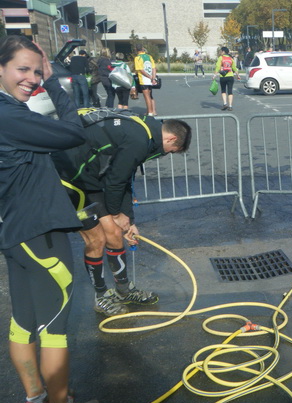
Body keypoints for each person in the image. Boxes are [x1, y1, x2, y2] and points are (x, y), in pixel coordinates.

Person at [0, 35, 100, 403]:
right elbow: (74, 132)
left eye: (36, 72)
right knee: (54, 328)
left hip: (14, 234)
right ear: (1, 69)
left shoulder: (9, 113)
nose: (31, 78)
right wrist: (58, 84)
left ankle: (36, 400)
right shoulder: (10, 117)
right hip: (41, 232)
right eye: (23, 69)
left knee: (22, 324)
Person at [52, 113, 192, 316]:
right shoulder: (139, 139)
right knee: (96, 239)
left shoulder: (145, 133)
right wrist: (117, 214)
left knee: (115, 233)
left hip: (90, 180)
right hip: (69, 180)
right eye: (173, 151)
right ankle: (101, 297)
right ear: (170, 139)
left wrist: (128, 220)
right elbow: (116, 181)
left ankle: (124, 291)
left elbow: (125, 176)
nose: (168, 154)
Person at [213, 46, 240, 111]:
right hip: (230, 76)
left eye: (221, 51)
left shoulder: (221, 58)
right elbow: (234, 68)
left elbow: (217, 66)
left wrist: (214, 75)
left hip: (223, 76)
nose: (220, 52)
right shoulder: (231, 59)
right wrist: (237, 75)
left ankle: (225, 104)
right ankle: (230, 106)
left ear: (223, 52)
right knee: (230, 91)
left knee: (223, 90)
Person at [134, 44, 157, 116]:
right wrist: (153, 77)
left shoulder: (137, 58)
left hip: (144, 79)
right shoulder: (149, 56)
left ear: (136, 50)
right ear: (143, 49)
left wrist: (149, 77)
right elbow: (154, 68)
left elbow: (140, 70)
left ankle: (150, 112)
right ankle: (152, 111)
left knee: (146, 96)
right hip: (150, 79)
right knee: (150, 95)